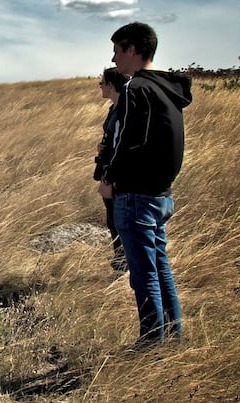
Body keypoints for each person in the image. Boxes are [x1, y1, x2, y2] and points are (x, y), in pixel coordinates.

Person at [97, 22, 191, 349]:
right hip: (160, 193)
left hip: (136, 194)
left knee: (143, 274)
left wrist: (108, 179)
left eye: (117, 50)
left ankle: (151, 343)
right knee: (160, 268)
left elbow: (127, 142)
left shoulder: (135, 88)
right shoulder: (166, 88)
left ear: (133, 49)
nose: (114, 58)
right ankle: (173, 335)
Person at [93, 67, 130, 272]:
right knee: (113, 221)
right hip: (109, 171)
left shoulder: (125, 109)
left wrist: (108, 179)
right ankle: (120, 261)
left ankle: (124, 265)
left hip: (116, 176)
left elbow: (123, 146)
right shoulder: (114, 109)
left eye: (102, 83)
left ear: (111, 85)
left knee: (120, 221)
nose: (100, 87)